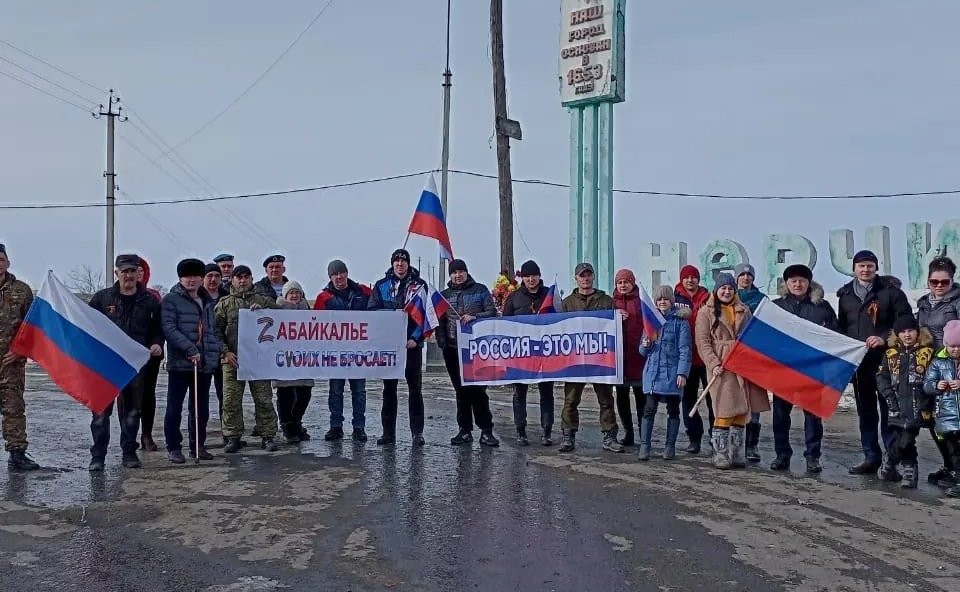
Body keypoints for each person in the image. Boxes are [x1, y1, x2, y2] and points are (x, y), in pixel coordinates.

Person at [836, 250, 913, 475]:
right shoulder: (845, 295)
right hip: (860, 364)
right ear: (854, 269)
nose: (866, 270)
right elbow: (842, 328)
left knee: (890, 411)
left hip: (887, 362)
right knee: (866, 413)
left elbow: (906, 323)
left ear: (876, 268)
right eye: (861, 266)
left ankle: (891, 461)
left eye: (870, 265)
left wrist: (884, 337)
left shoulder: (891, 293)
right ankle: (871, 456)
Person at [87, 254, 163, 471]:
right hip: (106, 365)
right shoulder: (102, 299)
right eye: (124, 271)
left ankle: (129, 452)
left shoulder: (149, 301)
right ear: (116, 273)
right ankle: (98, 456)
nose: (128, 275)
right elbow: (88, 326)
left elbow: (158, 329)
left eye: (132, 271)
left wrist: (157, 344)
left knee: (132, 411)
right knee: (101, 413)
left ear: (138, 273)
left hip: (134, 365)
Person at [694, 273, 770, 469]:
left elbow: (753, 336)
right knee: (724, 408)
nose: (726, 292)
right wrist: (713, 363)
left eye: (730, 288)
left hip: (742, 363)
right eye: (723, 288)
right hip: (721, 365)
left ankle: (737, 452)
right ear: (716, 290)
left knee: (741, 410)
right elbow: (703, 343)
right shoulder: (706, 313)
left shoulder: (743, 310)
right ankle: (720, 453)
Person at [769, 264, 838, 474]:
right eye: (793, 281)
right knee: (780, 416)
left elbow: (835, 335)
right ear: (786, 284)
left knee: (812, 416)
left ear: (809, 283)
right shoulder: (775, 307)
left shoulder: (822, 306)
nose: (797, 284)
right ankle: (782, 454)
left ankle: (812, 456)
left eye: (802, 280)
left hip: (812, 369)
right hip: (784, 370)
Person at [557, 262, 623, 453]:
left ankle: (609, 436)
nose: (585, 278)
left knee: (606, 400)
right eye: (581, 275)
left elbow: (614, 327)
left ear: (593, 277)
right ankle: (568, 436)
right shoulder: (567, 303)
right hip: (575, 361)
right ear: (576, 278)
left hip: (600, 361)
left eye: (588, 275)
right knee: (570, 400)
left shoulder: (606, 300)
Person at [214, 265, 281, 453]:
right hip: (233, 360)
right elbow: (215, 332)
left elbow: (283, 321)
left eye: (246, 277)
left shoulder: (264, 300)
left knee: (264, 399)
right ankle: (233, 437)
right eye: (238, 277)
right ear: (233, 280)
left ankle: (268, 435)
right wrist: (225, 352)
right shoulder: (224, 304)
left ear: (251, 279)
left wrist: (264, 312)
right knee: (231, 400)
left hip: (259, 360)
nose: (242, 281)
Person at [161, 259, 220, 463]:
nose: (192, 280)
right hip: (181, 363)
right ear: (180, 278)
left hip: (203, 365)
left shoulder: (208, 301)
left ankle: (198, 445)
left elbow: (212, 331)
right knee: (174, 407)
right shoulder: (171, 300)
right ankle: (174, 447)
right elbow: (169, 328)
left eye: (196, 276)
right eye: (187, 276)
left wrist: (212, 355)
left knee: (200, 408)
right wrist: (190, 349)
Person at [368, 249, 427, 446]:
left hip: (411, 346)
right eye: (397, 261)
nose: (400, 264)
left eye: (403, 261)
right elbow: (372, 312)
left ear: (408, 264)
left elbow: (425, 316)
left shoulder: (419, 286)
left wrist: (415, 339)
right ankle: (388, 433)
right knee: (389, 390)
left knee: (415, 390)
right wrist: (391, 314)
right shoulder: (382, 286)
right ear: (392, 264)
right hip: (390, 347)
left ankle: (417, 433)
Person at [438, 259, 499, 447]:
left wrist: (475, 317)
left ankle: (486, 430)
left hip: (476, 351)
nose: (458, 275)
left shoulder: (480, 290)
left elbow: (492, 312)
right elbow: (438, 322)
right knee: (461, 391)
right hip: (452, 349)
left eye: (461, 271)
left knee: (478, 391)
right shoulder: (443, 296)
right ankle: (464, 430)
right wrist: (442, 343)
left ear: (466, 272)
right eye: (454, 272)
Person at [314, 259, 372, 442]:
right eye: (334, 274)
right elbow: (314, 325)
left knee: (359, 391)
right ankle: (336, 426)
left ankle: (359, 427)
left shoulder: (363, 292)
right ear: (330, 277)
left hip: (358, 352)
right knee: (336, 390)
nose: (339, 277)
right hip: (335, 353)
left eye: (341, 273)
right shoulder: (324, 297)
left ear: (347, 273)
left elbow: (378, 311)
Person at [916, 256, 960, 487]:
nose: (939, 286)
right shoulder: (923, 303)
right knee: (934, 421)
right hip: (930, 368)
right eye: (935, 281)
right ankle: (950, 465)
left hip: (953, 367)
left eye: (945, 282)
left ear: (952, 280)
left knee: (955, 422)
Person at [502, 260, 556, 446]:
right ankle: (521, 431)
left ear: (539, 276)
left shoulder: (550, 295)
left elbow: (562, 319)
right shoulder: (514, 298)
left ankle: (547, 431)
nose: (531, 280)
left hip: (546, 354)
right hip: (521, 354)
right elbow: (505, 325)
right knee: (519, 394)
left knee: (547, 393)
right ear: (522, 278)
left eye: (534, 276)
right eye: (527, 276)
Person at [877, 317, 934, 488]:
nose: (907, 335)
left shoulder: (927, 353)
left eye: (910, 330)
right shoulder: (891, 354)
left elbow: (934, 376)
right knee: (898, 436)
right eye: (902, 331)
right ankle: (908, 468)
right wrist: (888, 395)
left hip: (918, 405)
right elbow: (882, 377)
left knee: (907, 437)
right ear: (897, 334)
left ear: (917, 332)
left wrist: (928, 398)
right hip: (895, 404)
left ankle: (891, 461)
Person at [637, 286, 691, 461]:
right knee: (649, 409)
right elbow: (643, 352)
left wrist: (682, 373)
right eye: (659, 300)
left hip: (672, 373)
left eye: (665, 299)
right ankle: (645, 445)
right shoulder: (651, 321)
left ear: (671, 301)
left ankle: (670, 446)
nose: (662, 303)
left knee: (673, 410)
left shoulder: (681, 323)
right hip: (653, 373)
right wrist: (645, 344)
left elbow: (685, 350)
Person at [0, 243, 39, 471]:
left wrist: (20, 350)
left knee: (14, 409)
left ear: (8, 262)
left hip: (10, 364)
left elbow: (33, 327)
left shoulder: (22, 290)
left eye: (1, 259)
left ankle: (17, 455)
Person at [674, 264, 712, 454]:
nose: (690, 280)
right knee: (688, 400)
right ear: (682, 279)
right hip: (686, 359)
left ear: (699, 279)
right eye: (686, 277)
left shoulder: (709, 298)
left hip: (707, 358)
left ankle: (716, 437)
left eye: (693, 277)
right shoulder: (674, 299)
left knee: (714, 400)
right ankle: (694, 439)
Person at [274, 281, 315, 444]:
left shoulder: (307, 309)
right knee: (286, 394)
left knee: (304, 394)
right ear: (285, 295)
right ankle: (287, 426)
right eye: (291, 293)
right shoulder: (277, 310)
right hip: (284, 360)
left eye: (297, 292)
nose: (294, 295)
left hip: (304, 361)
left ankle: (297, 422)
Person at [923, 319, 960, 497]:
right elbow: (927, 385)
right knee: (953, 451)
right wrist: (937, 384)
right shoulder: (938, 362)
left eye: (959, 346)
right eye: (952, 345)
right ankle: (956, 475)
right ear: (946, 344)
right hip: (947, 415)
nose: (956, 349)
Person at [735, 263, 765, 462]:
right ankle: (734, 444)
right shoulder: (728, 297)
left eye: (749, 275)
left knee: (753, 404)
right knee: (734, 402)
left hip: (755, 357)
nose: (746, 278)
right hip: (733, 357)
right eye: (742, 274)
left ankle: (752, 445)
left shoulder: (762, 301)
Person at [612, 268, 645, 447]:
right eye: (620, 282)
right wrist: (614, 317)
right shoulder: (611, 303)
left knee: (642, 399)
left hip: (639, 358)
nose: (623, 285)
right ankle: (628, 432)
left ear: (632, 282)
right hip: (620, 360)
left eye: (626, 282)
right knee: (622, 398)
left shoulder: (641, 302)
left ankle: (643, 433)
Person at [135, 257, 163, 452]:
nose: (136, 275)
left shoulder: (153, 297)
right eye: (131, 270)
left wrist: (157, 343)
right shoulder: (112, 296)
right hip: (125, 354)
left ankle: (147, 434)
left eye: (140, 271)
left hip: (149, 354)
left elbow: (161, 325)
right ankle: (128, 436)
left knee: (147, 395)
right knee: (127, 397)